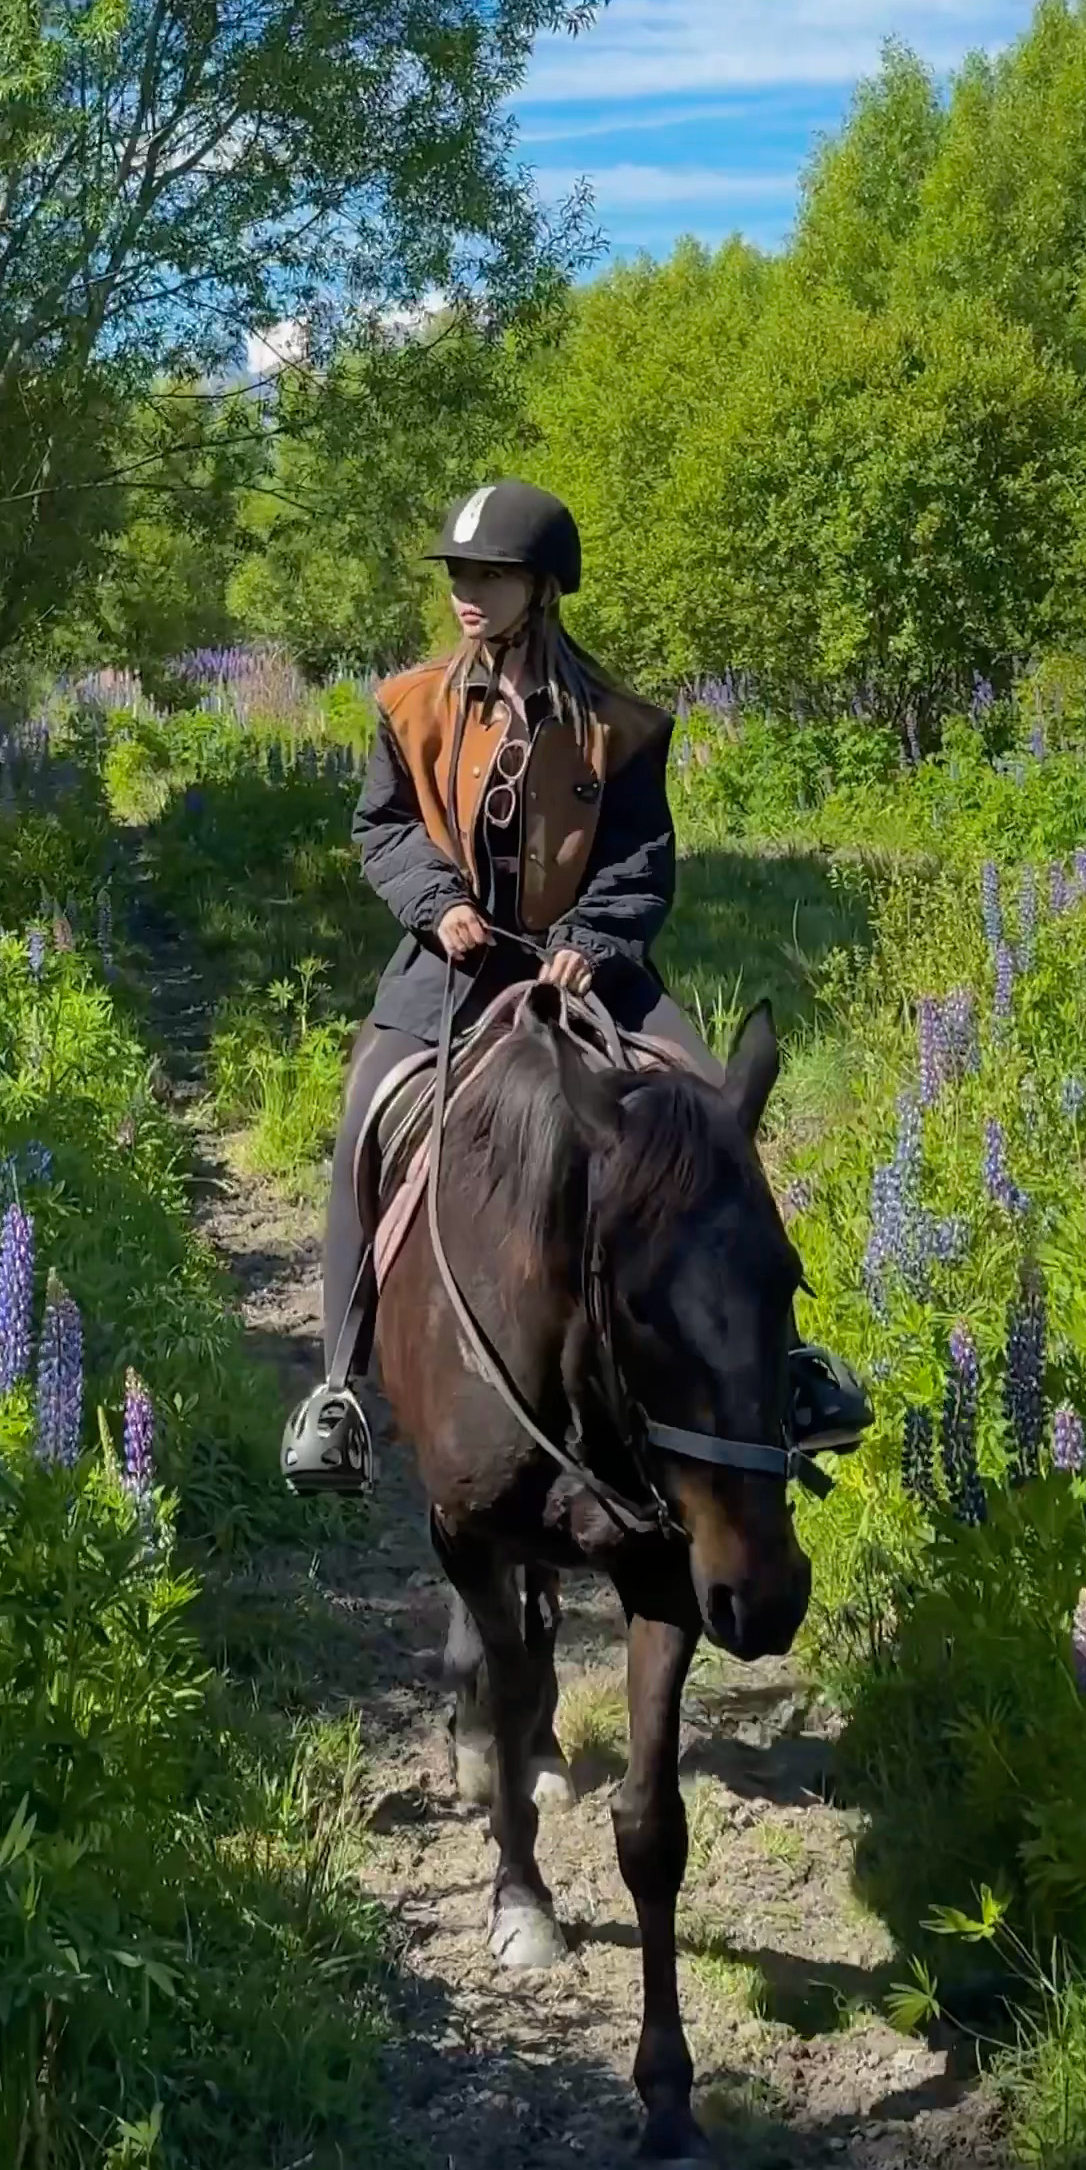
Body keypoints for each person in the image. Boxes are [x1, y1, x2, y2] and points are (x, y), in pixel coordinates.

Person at [280, 478, 868, 1495]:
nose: (468, 591)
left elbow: (642, 856)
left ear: (542, 587)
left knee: (713, 1111)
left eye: (490, 574)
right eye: (460, 572)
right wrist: (435, 903)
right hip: (450, 967)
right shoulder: (408, 705)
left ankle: (794, 1365)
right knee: (363, 1116)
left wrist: (594, 937)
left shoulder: (622, 724)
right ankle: (336, 1390)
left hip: (590, 968)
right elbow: (382, 829)